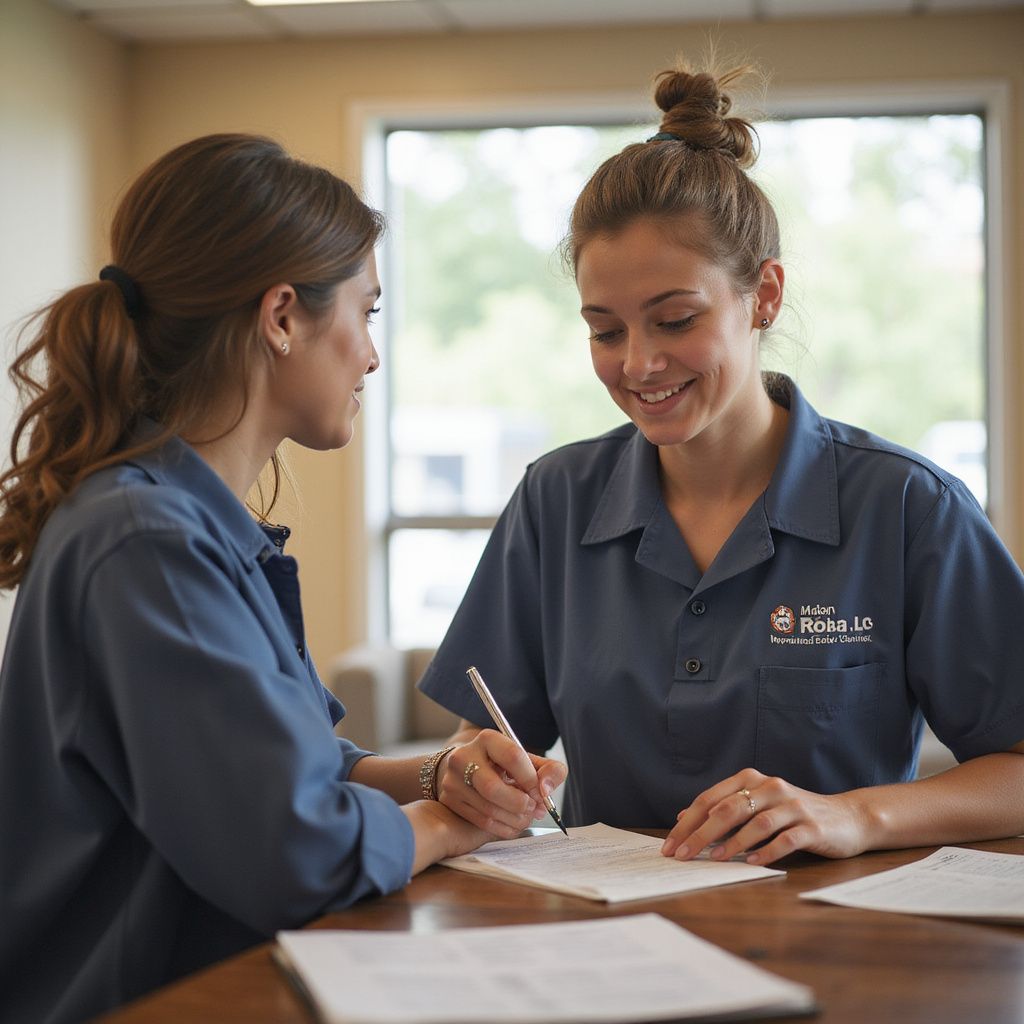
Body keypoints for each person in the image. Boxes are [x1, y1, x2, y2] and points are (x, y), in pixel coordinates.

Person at [0, 134, 563, 1024]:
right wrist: (461, 827)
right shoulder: (145, 541)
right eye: (367, 314)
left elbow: (289, 768)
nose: (372, 357)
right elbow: (295, 850)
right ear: (283, 318)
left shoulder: (188, 525)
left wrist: (438, 775)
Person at [419, 62, 1024, 867]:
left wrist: (853, 817)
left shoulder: (910, 507)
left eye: (674, 320)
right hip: (605, 945)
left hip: (839, 947)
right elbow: (485, 737)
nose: (637, 364)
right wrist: (474, 772)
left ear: (764, 296)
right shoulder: (554, 500)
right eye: (605, 330)